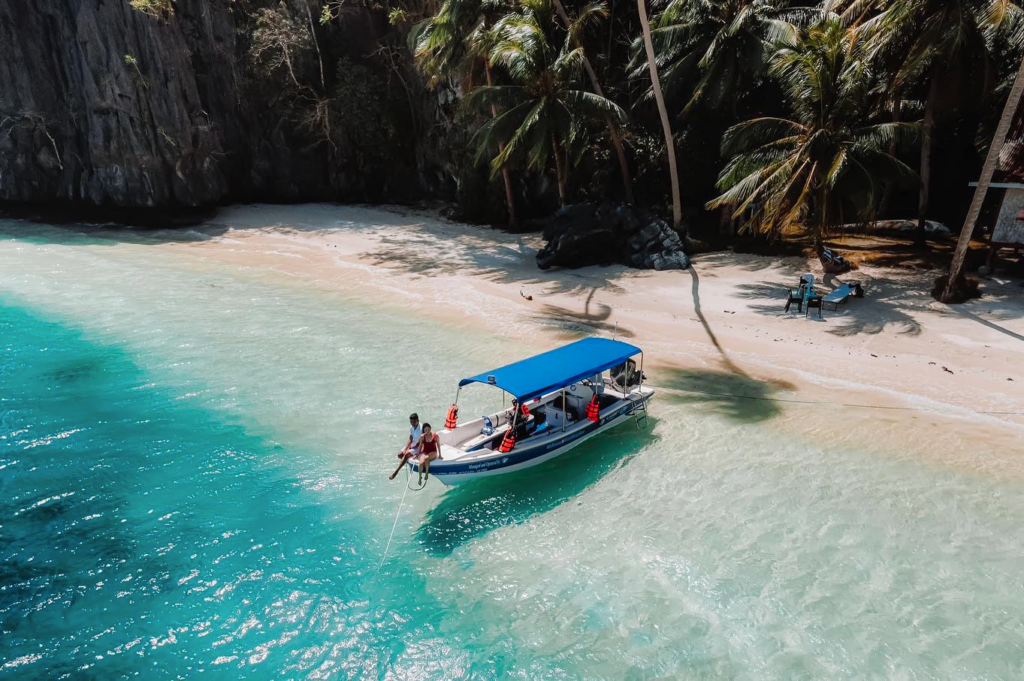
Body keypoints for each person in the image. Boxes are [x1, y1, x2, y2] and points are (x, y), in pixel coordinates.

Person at [389, 413, 422, 481]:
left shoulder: (421, 428)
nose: (412, 423)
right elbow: (410, 438)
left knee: (406, 454)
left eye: (413, 422)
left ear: (417, 421)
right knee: (400, 454)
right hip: (412, 444)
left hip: (418, 447)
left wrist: (413, 447)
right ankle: (407, 461)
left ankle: (396, 471)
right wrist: (407, 447)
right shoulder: (411, 428)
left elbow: (423, 441)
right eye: (411, 422)